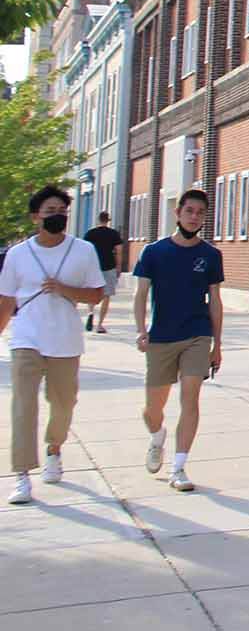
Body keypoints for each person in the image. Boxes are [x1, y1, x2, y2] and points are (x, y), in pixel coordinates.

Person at [0, 187, 105, 504]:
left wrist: (64, 289)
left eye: (61, 210)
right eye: (50, 210)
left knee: (63, 405)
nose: (57, 215)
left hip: (65, 340)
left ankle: (54, 449)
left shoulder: (83, 250)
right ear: (36, 217)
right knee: (23, 406)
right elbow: (6, 299)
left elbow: (96, 294)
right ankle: (21, 475)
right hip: (27, 339)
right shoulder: (18, 255)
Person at [133, 188, 224, 493]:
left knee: (190, 396)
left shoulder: (210, 255)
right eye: (189, 211)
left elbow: (215, 301)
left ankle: (179, 467)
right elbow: (141, 294)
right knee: (152, 409)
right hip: (161, 336)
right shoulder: (154, 252)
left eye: (200, 212)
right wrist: (140, 328)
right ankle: (157, 436)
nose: (194, 216)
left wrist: (217, 344)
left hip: (197, 334)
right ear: (178, 213)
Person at [82, 211, 123, 335]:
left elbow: (85, 250)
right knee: (106, 295)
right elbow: (119, 251)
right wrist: (118, 267)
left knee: (92, 292)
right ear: (108, 220)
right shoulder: (113, 234)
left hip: (93, 266)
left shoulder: (90, 233)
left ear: (98, 220)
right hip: (109, 266)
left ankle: (90, 312)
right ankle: (100, 324)